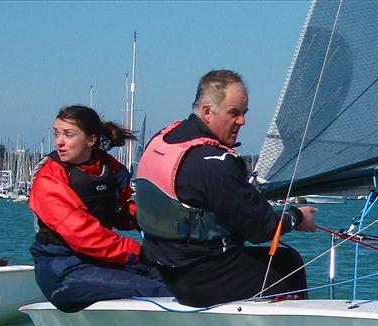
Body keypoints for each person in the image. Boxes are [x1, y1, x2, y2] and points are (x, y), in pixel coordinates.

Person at [134, 69, 317, 307]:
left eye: (243, 113)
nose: (242, 121)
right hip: (203, 280)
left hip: (166, 269)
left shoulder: (164, 139)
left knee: (274, 260)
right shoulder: (214, 163)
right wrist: (295, 217)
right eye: (234, 113)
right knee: (288, 265)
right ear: (207, 111)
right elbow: (260, 230)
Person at [29, 105, 171, 313]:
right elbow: (83, 234)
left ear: (91, 140)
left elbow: (131, 208)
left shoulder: (109, 167)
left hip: (101, 263)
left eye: (68, 135)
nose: (59, 141)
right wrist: (138, 252)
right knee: (154, 289)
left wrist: (170, 233)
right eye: (57, 134)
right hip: (63, 270)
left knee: (171, 275)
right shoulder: (49, 177)